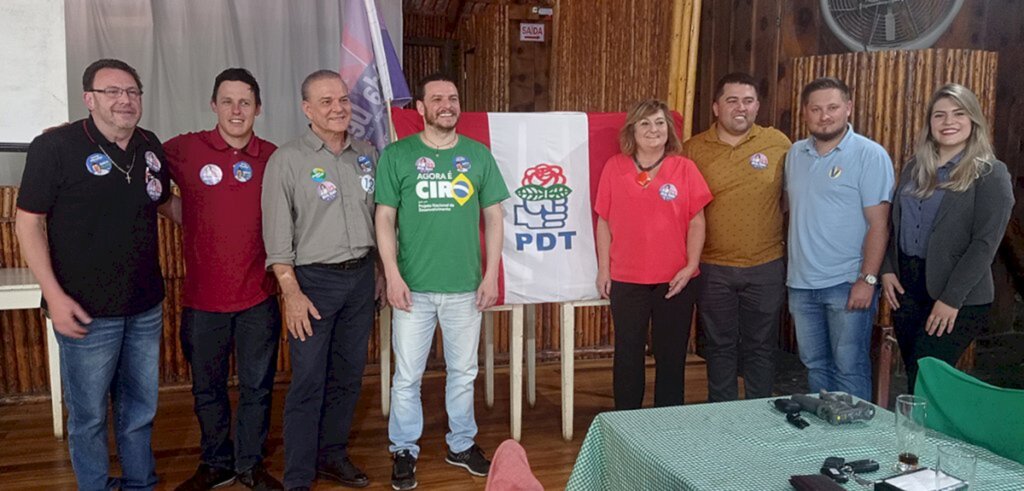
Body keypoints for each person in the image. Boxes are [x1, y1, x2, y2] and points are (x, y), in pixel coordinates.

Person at [15, 58, 170, 491]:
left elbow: (163, 203)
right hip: (83, 311)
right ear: (89, 99)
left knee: (139, 410)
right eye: (112, 92)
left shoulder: (149, 144)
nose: (125, 100)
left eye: (132, 92)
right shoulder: (54, 147)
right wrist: (54, 296)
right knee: (88, 417)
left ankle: (141, 483)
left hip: (144, 306)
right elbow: (28, 222)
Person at [375, 73, 509, 491]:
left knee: (463, 372)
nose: (446, 105)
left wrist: (490, 275)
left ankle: (462, 444)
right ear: (421, 108)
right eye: (437, 99)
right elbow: (384, 217)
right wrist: (392, 274)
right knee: (407, 376)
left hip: (465, 287)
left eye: (452, 98)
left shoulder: (478, 155)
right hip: (412, 288)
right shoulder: (397, 156)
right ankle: (403, 449)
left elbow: (494, 218)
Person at [162, 68, 283, 490]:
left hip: (258, 296)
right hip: (202, 300)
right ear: (213, 105)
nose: (236, 110)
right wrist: (184, 214)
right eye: (228, 101)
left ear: (258, 109)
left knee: (257, 387)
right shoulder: (183, 149)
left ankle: (250, 464)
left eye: (245, 102)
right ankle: (216, 462)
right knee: (207, 389)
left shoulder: (273, 156)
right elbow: (144, 177)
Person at [261, 70, 382, 490]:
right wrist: (291, 292)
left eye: (344, 100)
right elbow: (277, 237)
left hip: (361, 279)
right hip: (313, 283)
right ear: (307, 109)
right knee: (309, 380)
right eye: (326, 102)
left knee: (348, 376)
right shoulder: (288, 160)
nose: (338, 108)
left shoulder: (367, 154)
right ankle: (297, 475)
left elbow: (381, 221)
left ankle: (332, 456)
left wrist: (380, 272)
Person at [880, 84, 1013, 393]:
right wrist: (887, 268)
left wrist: (951, 299)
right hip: (908, 290)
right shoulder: (915, 167)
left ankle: (929, 439)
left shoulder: (991, 173)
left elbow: (984, 244)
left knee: (929, 375)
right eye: (939, 115)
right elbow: (894, 224)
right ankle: (915, 438)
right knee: (915, 373)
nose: (947, 122)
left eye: (958, 114)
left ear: (974, 120)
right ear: (929, 123)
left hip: (959, 296)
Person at [595, 99, 713, 410]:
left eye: (660, 122)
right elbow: (603, 221)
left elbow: (697, 220)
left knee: (672, 355)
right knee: (628, 353)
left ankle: (667, 424)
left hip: (675, 280)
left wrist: (691, 266)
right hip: (626, 278)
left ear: (669, 129)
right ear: (632, 129)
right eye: (645, 123)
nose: (653, 129)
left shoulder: (684, 168)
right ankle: (626, 421)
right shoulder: (614, 167)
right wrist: (603, 270)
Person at [682, 73, 791, 402]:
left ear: (757, 106)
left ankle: (759, 416)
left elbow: (792, 197)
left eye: (747, 101)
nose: (740, 108)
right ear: (716, 107)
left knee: (760, 347)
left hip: (766, 265)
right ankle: (723, 417)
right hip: (713, 268)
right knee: (720, 347)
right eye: (732, 100)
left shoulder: (778, 144)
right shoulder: (693, 149)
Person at [785, 77, 894, 401]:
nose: (824, 115)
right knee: (815, 365)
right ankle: (825, 438)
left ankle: (855, 443)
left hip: (847, 283)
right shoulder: (795, 154)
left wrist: (867, 279)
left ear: (848, 108)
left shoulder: (869, 155)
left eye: (832, 107)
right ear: (805, 112)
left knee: (849, 366)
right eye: (816, 109)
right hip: (801, 285)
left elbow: (880, 224)